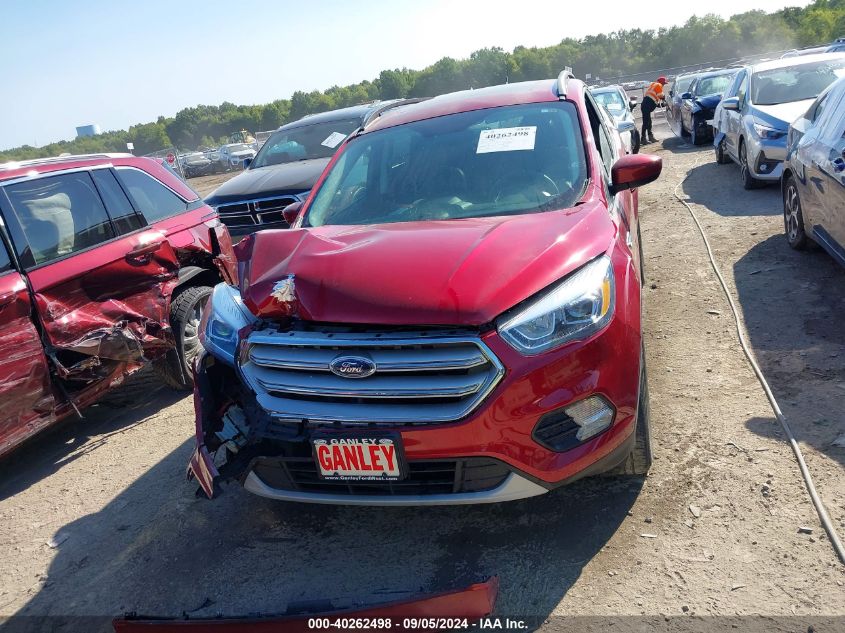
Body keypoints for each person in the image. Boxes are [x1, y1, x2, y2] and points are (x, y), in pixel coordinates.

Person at [641, 76, 667, 144]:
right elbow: (661, 96)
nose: (663, 85)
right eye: (664, 84)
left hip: (645, 104)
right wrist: (664, 99)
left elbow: (656, 103)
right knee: (646, 122)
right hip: (647, 105)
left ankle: (650, 137)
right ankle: (643, 138)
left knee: (649, 122)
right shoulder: (659, 85)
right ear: (662, 83)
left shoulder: (653, 85)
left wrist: (663, 104)